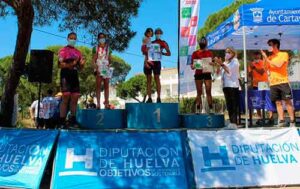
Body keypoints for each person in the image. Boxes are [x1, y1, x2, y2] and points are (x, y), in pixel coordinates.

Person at [261, 38, 295, 127]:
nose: (269, 47)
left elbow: (279, 65)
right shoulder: (269, 57)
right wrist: (265, 58)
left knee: (287, 101)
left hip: (283, 82)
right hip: (273, 83)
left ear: (275, 45)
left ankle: (292, 121)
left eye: (270, 45)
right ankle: (282, 120)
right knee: (278, 102)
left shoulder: (283, 54)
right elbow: (265, 69)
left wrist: (267, 59)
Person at [58, 32, 85, 128]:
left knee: (75, 98)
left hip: (74, 75)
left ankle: (73, 120)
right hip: (65, 75)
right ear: (67, 39)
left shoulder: (78, 52)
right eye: (71, 38)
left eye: (74, 38)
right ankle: (61, 121)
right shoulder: (63, 50)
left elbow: (81, 68)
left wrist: (82, 64)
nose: (73, 40)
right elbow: (60, 65)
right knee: (65, 97)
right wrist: (72, 63)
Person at [215, 47, 240, 129]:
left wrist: (222, 64)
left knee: (233, 105)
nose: (227, 53)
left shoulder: (235, 61)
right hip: (225, 86)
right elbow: (218, 73)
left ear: (233, 53)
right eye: (226, 52)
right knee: (229, 105)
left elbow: (229, 71)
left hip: (233, 85)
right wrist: (218, 65)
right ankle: (231, 123)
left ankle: (234, 123)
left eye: (229, 52)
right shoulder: (226, 62)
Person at [144, 28, 171, 103]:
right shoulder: (151, 42)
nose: (158, 34)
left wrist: (162, 53)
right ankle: (149, 98)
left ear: (161, 34)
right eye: (157, 33)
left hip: (157, 62)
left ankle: (158, 97)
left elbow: (169, 53)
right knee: (148, 80)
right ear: (155, 34)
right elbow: (146, 53)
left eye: (159, 33)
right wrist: (145, 62)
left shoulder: (164, 43)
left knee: (157, 79)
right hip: (149, 62)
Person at [248, 51, 274, 125]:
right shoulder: (251, 64)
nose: (256, 57)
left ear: (260, 56)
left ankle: (271, 117)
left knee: (267, 100)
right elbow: (250, 75)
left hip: (264, 83)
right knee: (257, 101)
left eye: (258, 55)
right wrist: (250, 69)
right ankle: (260, 118)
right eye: (255, 56)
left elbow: (262, 72)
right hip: (255, 84)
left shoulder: (263, 62)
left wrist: (254, 68)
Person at [191, 37, 214, 114]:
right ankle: (198, 109)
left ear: (206, 43)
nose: (203, 43)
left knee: (208, 92)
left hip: (207, 73)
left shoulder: (209, 53)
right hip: (198, 74)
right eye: (201, 41)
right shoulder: (195, 53)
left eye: (204, 41)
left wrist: (212, 64)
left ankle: (211, 109)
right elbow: (192, 66)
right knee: (199, 92)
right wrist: (194, 66)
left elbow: (213, 63)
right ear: (199, 43)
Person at [93, 33, 112, 109]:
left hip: (105, 68)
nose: (102, 39)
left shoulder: (109, 48)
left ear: (105, 38)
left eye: (103, 37)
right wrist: (96, 68)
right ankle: (98, 104)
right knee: (98, 86)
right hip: (99, 67)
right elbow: (93, 60)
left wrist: (109, 65)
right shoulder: (95, 48)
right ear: (98, 39)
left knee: (106, 86)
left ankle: (106, 103)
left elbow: (110, 59)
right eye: (100, 37)